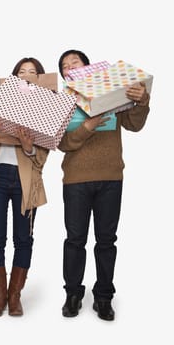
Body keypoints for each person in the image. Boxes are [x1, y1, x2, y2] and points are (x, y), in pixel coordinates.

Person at [58, 49, 150, 321]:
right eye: (64, 65)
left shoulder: (112, 93)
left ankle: (103, 297)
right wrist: (87, 127)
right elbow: (62, 144)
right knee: (75, 240)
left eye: (75, 61)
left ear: (89, 67)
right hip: (75, 180)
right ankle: (73, 294)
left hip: (111, 177)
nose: (70, 66)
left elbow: (135, 125)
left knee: (106, 241)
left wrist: (141, 101)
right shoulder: (63, 102)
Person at [0, 58, 49, 317]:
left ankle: (15, 296)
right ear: (13, 77)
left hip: (24, 180)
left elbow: (41, 159)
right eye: (21, 72)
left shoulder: (46, 109)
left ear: (40, 78)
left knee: (23, 238)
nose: (26, 75)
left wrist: (28, 146)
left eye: (33, 72)